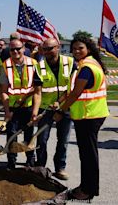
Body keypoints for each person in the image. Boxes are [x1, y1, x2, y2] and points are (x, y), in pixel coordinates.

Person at [53, 37, 109, 200]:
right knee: (87, 154)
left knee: (88, 156)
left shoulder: (86, 67)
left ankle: (88, 190)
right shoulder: (90, 64)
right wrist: (61, 102)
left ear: (88, 49)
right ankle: (86, 186)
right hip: (90, 115)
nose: (76, 51)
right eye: (74, 48)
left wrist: (61, 111)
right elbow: (73, 91)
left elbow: (76, 93)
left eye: (80, 48)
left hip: (89, 116)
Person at [34, 38, 75, 180]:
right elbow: (37, 92)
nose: (47, 52)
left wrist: (59, 106)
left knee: (63, 140)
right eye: (45, 49)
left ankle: (60, 168)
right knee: (42, 140)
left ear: (58, 47)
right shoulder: (39, 67)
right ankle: (40, 167)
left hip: (65, 107)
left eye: (50, 48)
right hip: (45, 109)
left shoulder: (70, 63)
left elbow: (72, 89)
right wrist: (35, 113)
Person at [0, 39, 42, 169]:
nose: (16, 52)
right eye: (12, 49)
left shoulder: (34, 64)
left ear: (24, 49)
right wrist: (7, 111)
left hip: (28, 106)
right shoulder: (5, 66)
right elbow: (4, 91)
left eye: (18, 49)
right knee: (12, 135)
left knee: (29, 135)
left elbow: (38, 90)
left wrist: (35, 112)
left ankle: (30, 161)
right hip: (12, 107)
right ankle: (11, 162)